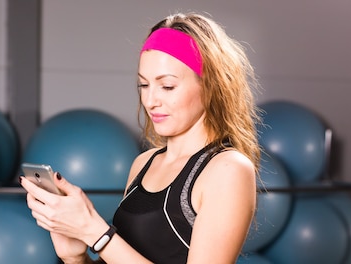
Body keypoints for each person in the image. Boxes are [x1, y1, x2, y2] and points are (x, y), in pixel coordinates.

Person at [20, 11, 261, 264]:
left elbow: (105, 241)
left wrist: (95, 232)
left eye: (167, 86)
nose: (149, 101)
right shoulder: (143, 163)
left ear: (211, 85)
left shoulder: (227, 169)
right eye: (143, 85)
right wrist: (75, 256)